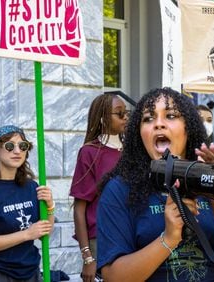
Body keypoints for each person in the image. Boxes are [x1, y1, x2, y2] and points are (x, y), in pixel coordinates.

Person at [96, 87, 214, 281]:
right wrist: (168, 239)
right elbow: (113, 277)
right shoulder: (119, 190)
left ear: (189, 128)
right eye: (148, 118)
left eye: (170, 116)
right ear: (139, 133)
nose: (158, 124)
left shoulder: (210, 181)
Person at [0, 125, 55, 281]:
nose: (17, 151)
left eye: (23, 146)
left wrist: (50, 206)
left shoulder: (31, 187)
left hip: (30, 271)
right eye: (9, 146)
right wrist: (27, 234)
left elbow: (44, 232)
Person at [69, 93, 128, 281]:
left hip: (133, 235)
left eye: (126, 113)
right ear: (103, 118)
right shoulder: (89, 152)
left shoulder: (133, 151)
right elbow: (79, 208)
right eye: (119, 113)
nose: (125, 117)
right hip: (102, 239)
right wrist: (87, 257)